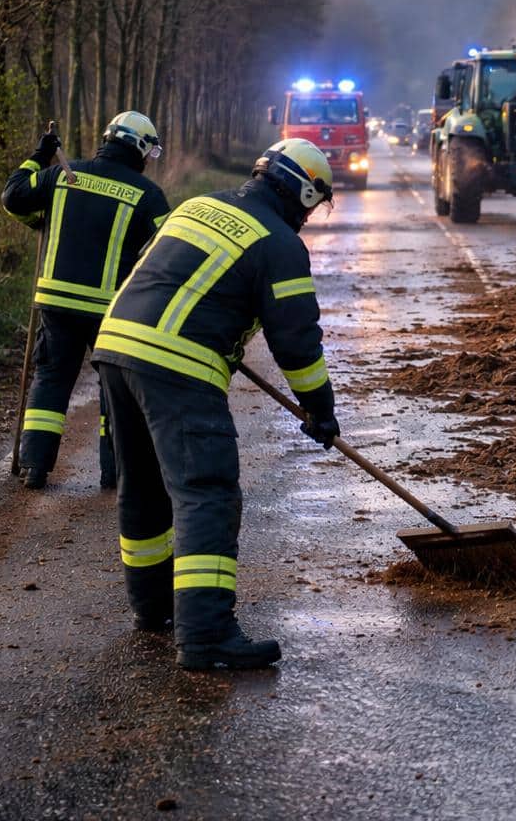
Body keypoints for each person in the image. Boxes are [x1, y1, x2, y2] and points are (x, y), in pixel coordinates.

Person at [92, 138, 340, 669]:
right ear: (301, 191)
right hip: (177, 367)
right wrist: (320, 408)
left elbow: (150, 267)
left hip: (115, 347)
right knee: (208, 493)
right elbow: (297, 341)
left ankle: (154, 607)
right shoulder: (279, 244)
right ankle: (206, 636)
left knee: (143, 488)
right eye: (313, 205)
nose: (310, 217)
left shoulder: (196, 205)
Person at [1, 113, 170, 491]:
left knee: (51, 378)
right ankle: (114, 474)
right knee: (115, 390)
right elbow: (168, 247)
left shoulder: (63, 174)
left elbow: (14, 198)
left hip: (55, 301)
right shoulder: (147, 194)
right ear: (140, 149)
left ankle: (35, 467)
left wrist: (39, 156)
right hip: (110, 310)